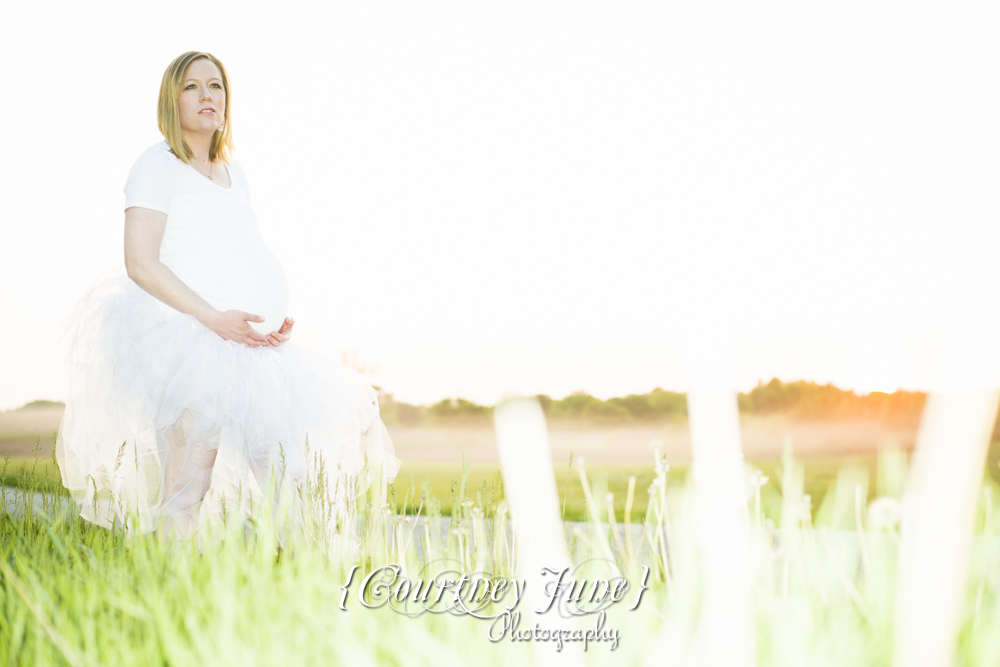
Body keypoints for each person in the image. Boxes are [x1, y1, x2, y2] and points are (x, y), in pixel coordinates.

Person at [51, 51, 401, 550]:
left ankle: (295, 589)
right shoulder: (157, 164)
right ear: (173, 100)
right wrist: (214, 318)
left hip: (250, 345)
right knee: (190, 478)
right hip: (190, 339)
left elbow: (235, 251)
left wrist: (270, 319)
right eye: (192, 87)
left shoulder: (234, 173)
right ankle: (170, 590)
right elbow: (141, 262)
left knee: (290, 477)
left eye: (215, 86)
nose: (207, 95)